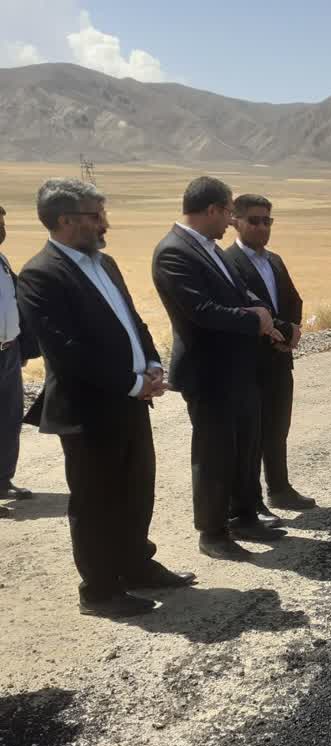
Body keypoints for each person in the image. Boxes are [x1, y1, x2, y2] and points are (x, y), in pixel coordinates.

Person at [17, 179, 195, 618]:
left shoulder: (106, 264)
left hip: (131, 400)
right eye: (96, 216)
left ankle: (136, 565)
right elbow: (67, 351)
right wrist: (132, 383)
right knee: (96, 501)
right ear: (66, 221)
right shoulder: (41, 274)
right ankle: (98, 591)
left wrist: (151, 363)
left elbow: (132, 321)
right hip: (88, 410)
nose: (105, 224)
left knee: (136, 489)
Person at [153, 177, 290, 560]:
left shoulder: (210, 249)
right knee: (215, 456)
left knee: (245, 448)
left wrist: (270, 319)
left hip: (239, 369)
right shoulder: (174, 252)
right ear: (212, 209)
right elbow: (201, 312)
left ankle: (244, 516)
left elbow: (238, 294)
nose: (231, 220)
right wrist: (255, 319)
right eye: (229, 212)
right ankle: (213, 532)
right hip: (209, 372)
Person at [224, 194, 316, 513]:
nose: (262, 227)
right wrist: (278, 331)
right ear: (235, 221)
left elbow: (293, 300)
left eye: (267, 221)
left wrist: (292, 331)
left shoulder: (274, 260)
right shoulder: (228, 262)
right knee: (250, 435)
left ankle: (280, 488)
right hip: (249, 362)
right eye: (254, 221)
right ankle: (251, 503)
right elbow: (241, 306)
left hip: (279, 358)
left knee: (277, 427)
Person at [0, 205, 41, 516]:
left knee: (9, 418)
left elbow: (15, 303)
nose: (2, 229)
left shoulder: (1, 260)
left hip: (8, 352)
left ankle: (3, 480)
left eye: (2, 222)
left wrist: (25, 347)